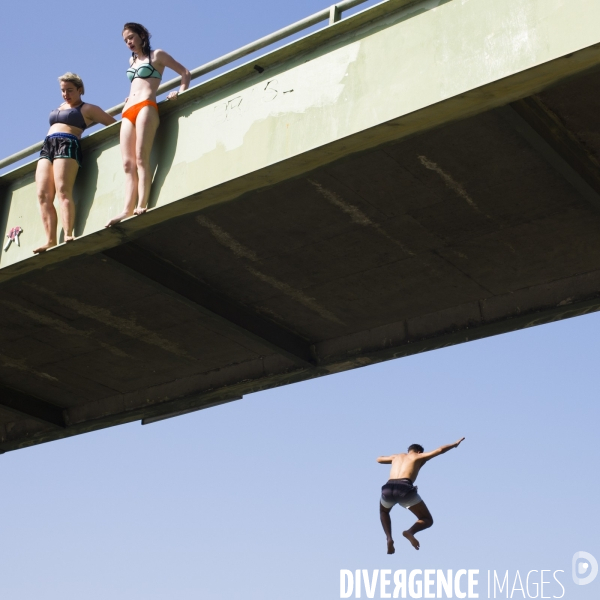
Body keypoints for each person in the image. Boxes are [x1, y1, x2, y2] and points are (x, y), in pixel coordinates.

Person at [105, 22, 191, 228]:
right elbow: (135, 85)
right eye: (125, 40)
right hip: (129, 111)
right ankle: (126, 209)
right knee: (127, 164)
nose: (128, 43)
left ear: (142, 35)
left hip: (146, 106)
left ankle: (141, 203)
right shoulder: (131, 60)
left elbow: (185, 72)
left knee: (141, 157)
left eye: (131, 37)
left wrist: (180, 91)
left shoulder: (157, 55)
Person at [34, 73, 116, 254]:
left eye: (70, 90)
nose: (65, 94)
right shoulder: (60, 106)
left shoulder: (88, 108)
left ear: (80, 90)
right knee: (42, 195)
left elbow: (113, 123)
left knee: (63, 191)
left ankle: (68, 234)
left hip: (67, 142)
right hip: (48, 146)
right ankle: (50, 239)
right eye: (63, 90)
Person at [377, 437, 465, 554]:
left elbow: (379, 459)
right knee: (427, 519)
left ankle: (389, 538)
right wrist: (454, 444)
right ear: (419, 452)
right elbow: (439, 450)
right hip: (404, 488)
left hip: (387, 488)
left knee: (384, 511)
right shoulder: (418, 456)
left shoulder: (396, 457)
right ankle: (410, 532)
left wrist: (393, 458)